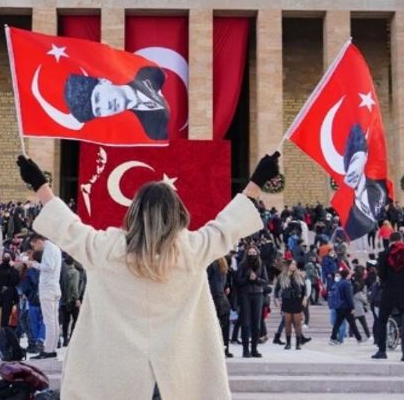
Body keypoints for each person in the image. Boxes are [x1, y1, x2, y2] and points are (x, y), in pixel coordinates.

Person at [16, 151, 279, 399]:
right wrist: (257, 180)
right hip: (176, 373)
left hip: (116, 375)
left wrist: (39, 183)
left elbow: (66, 227)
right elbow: (227, 226)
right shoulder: (193, 250)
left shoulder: (104, 249)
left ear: (133, 212)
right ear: (177, 214)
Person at [63, 66, 170, 140]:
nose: (106, 106)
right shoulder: (152, 130)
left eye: (98, 97)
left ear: (104, 81)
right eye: (98, 111)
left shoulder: (150, 73)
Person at [372, 232, 404, 361]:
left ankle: (382, 350)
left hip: (389, 291)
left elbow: (382, 274)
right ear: (401, 239)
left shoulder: (384, 254)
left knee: (382, 320)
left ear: (390, 240)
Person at [24, 234, 62, 359]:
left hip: (48, 288)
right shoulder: (54, 248)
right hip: (53, 287)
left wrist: (33, 264)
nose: (35, 249)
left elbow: (49, 267)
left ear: (39, 241)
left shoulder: (49, 249)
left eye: (34, 245)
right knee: (53, 320)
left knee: (49, 321)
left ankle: (49, 349)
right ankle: (51, 348)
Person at [235, 244, 268, 358]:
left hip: (258, 295)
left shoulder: (261, 265)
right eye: (250, 253)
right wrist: (248, 278)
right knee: (246, 323)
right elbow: (238, 281)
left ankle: (254, 349)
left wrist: (256, 279)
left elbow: (265, 281)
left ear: (257, 254)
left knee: (257, 323)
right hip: (246, 294)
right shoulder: (242, 265)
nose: (252, 255)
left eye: (254, 253)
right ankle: (245, 349)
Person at [276, 259, 306, 350]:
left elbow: (304, 289)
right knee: (287, 323)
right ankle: (288, 343)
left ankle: (298, 343)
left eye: (295, 265)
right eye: (292, 264)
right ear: (288, 265)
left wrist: (304, 298)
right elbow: (277, 289)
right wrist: (277, 299)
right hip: (287, 301)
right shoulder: (282, 276)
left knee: (298, 323)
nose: (294, 266)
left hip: (297, 300)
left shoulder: (299, 276)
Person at [207, 256, 233, 358]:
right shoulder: (223, 263)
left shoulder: (211, 263)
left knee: (215, 326)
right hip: (222, 298)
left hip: (214, 298)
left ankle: (217, 350)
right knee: (224, 326)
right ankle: (225, 349)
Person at [328, 269, 364, 344]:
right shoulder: (347, 284)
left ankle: (332, 338)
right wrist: (352, 307)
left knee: (337, 323)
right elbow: (349, 297)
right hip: (346, 307)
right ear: (347, 275)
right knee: (352, 323)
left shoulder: (339, 283)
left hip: (339, 306)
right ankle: (359, 338)